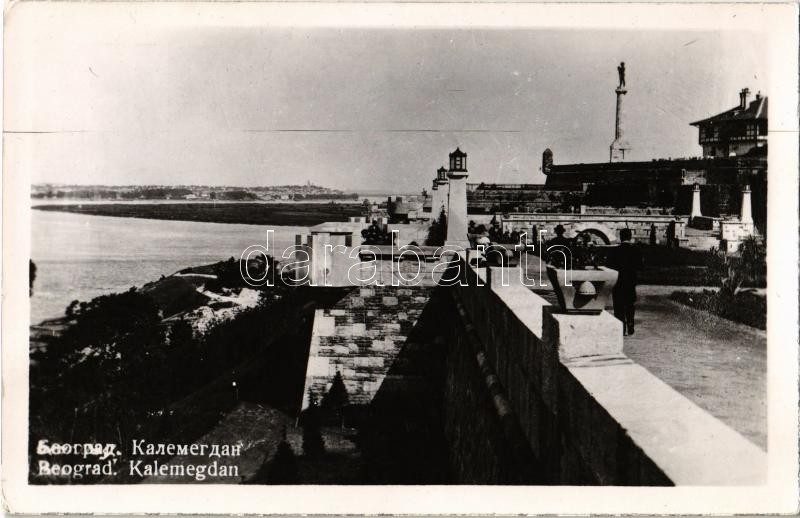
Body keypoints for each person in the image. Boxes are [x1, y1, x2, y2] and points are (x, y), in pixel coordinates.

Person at [606, 228, 643, 336]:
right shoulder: (636, 250)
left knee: (618, 305)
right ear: (630, 237)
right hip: (630, 281)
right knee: (630, 304)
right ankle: (631, 324)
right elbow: (640, 266)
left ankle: (621, 327)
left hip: (618, 281)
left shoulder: (614, 251)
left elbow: (608, 266)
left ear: (620, 237)